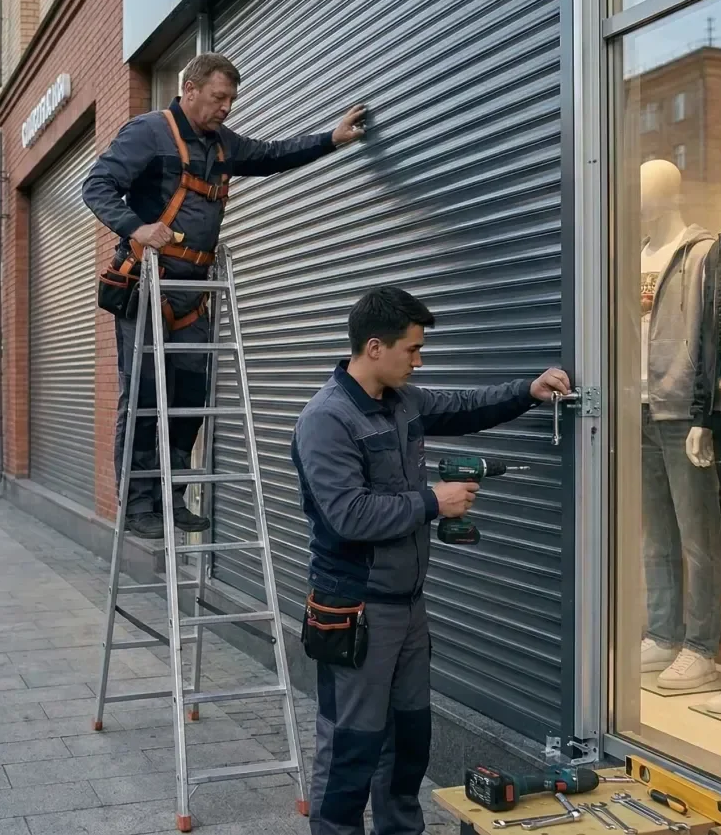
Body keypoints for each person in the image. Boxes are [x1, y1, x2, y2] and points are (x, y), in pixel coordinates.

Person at [291, 288, 571, 835]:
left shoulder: (403, 402)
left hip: (407, 608)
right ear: (375, 347)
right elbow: (347, 515)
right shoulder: (327, 419)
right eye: (412, 350)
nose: (419, 361)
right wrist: (432, 502)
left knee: (409, 741)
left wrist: (529, 391)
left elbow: (467, 406)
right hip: (355, 608)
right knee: (352, 745)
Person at [84, 51, 368, 540]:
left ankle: (172, 499)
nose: (226, 108)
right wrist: (139, 227)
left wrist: (330, 140)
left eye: (232, 100)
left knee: (191, 398)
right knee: (146, 397)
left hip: (194, 295)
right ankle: (137, 504)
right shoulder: (148, 132)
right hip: (147, 286)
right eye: (219, 98)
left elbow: (272, 154)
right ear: (189, 89)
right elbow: (97, 186)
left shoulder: (222, 144)